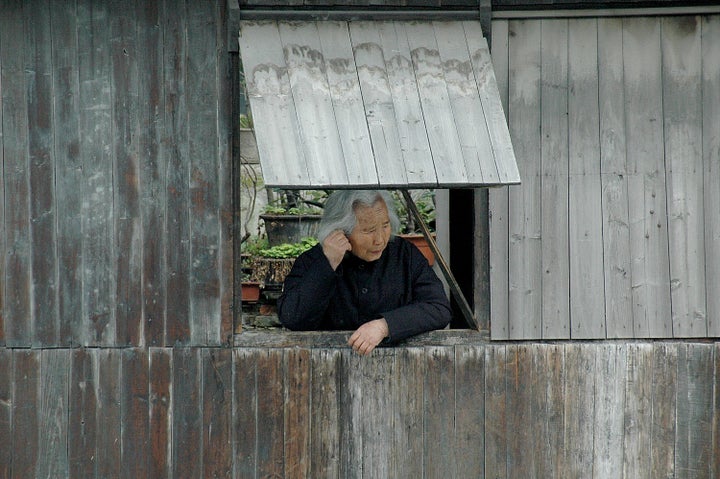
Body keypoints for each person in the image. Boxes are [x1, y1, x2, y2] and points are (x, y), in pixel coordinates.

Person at [277, 190, 451, 355]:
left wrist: (384, 326)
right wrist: (327, 264)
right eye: (368, 231)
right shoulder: (312, 261)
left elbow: (439, 308)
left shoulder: (405, 255)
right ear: (340, 231)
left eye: (385, 226)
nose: (380, 240)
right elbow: (293, 318)